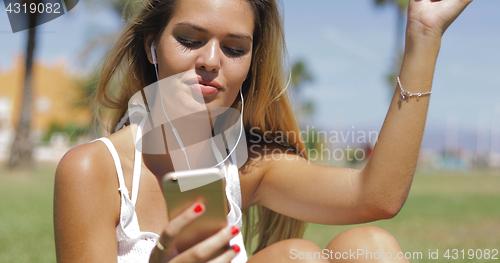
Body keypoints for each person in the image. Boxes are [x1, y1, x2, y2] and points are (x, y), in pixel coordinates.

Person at [53, 0, 473, 262]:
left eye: (235, 48)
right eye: (189, 39)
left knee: (370, 249)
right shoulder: (94, 170)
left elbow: (375, 196)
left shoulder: (245, 164)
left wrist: (424, 35)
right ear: (151, 45)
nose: (211, 60)